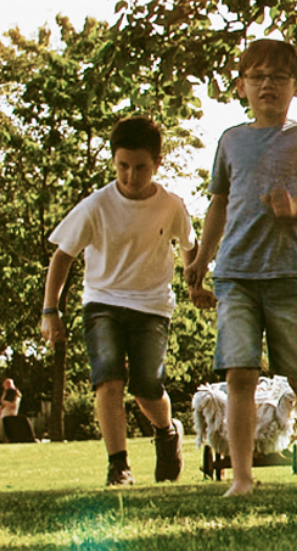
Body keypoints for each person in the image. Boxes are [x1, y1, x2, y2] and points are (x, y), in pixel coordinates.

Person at [184, 39, 297, 495]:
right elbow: (218, 204)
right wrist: (201, 258)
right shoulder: (230, 140)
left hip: (290, 272)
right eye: (257, 77)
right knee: (239, 373)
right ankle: (241, 476)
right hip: (235, 273)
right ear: (241, 86)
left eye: (277, 77)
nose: (267, 85)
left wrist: (295, 207)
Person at [42, 115, 193, 486]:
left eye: (141, 167)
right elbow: (62, 256)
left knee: (146, 386)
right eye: (123, 166)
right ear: (114, 162)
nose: (130, 176)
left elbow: (190, 247)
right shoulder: (95, 206)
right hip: (102, 301)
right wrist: (50, 310)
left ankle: (166, 430)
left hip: (152, 306)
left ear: (157, 164)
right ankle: (118, 465)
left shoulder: (171, 205)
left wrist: (196, 283)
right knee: (107, 378)